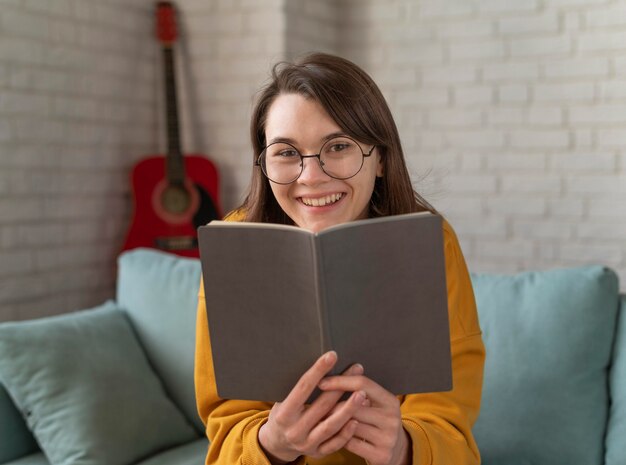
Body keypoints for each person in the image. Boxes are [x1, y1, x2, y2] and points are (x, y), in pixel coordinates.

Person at [194, 52, 485, 465]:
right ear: (264, 163)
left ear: (380, 158)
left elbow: (452, 432)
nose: (311, 176)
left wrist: (403, 448)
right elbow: (224, 437)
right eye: (286, 152)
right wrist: (271, 443)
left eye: (339, 146)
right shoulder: (233, 247)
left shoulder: (433, 244)